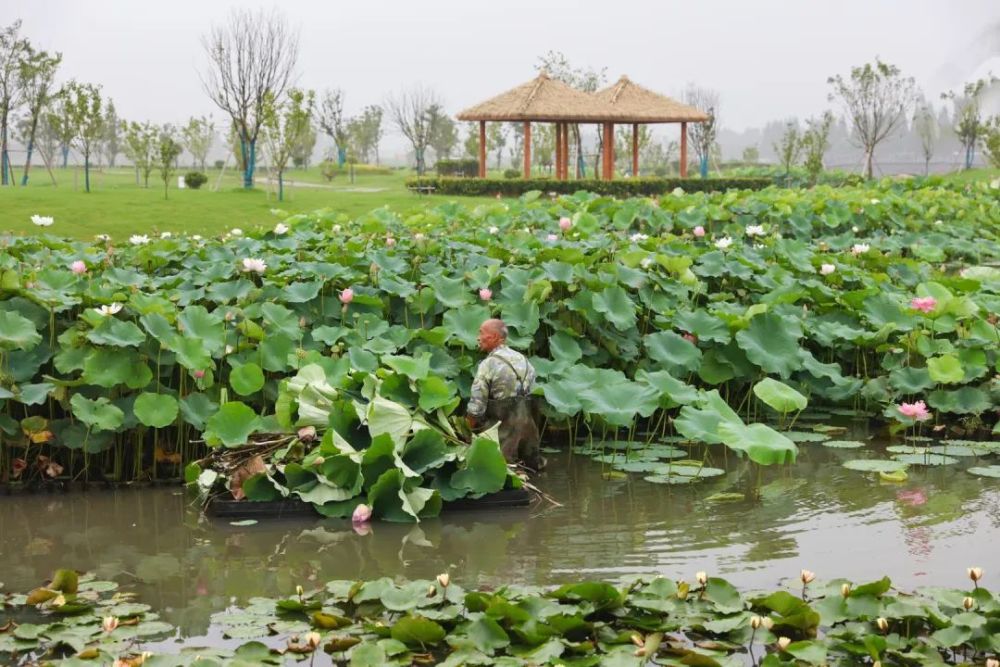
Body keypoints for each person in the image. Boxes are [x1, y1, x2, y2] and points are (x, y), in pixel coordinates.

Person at [466, 319, 542, 470]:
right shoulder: (525, 360)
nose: (478, 337)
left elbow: (476, 409)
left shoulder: (488, 365)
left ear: (494, 337)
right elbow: (534, 399)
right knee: (532, 473)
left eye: (481, 333)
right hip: (529, 438)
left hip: (502, 440)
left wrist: (466, 434)